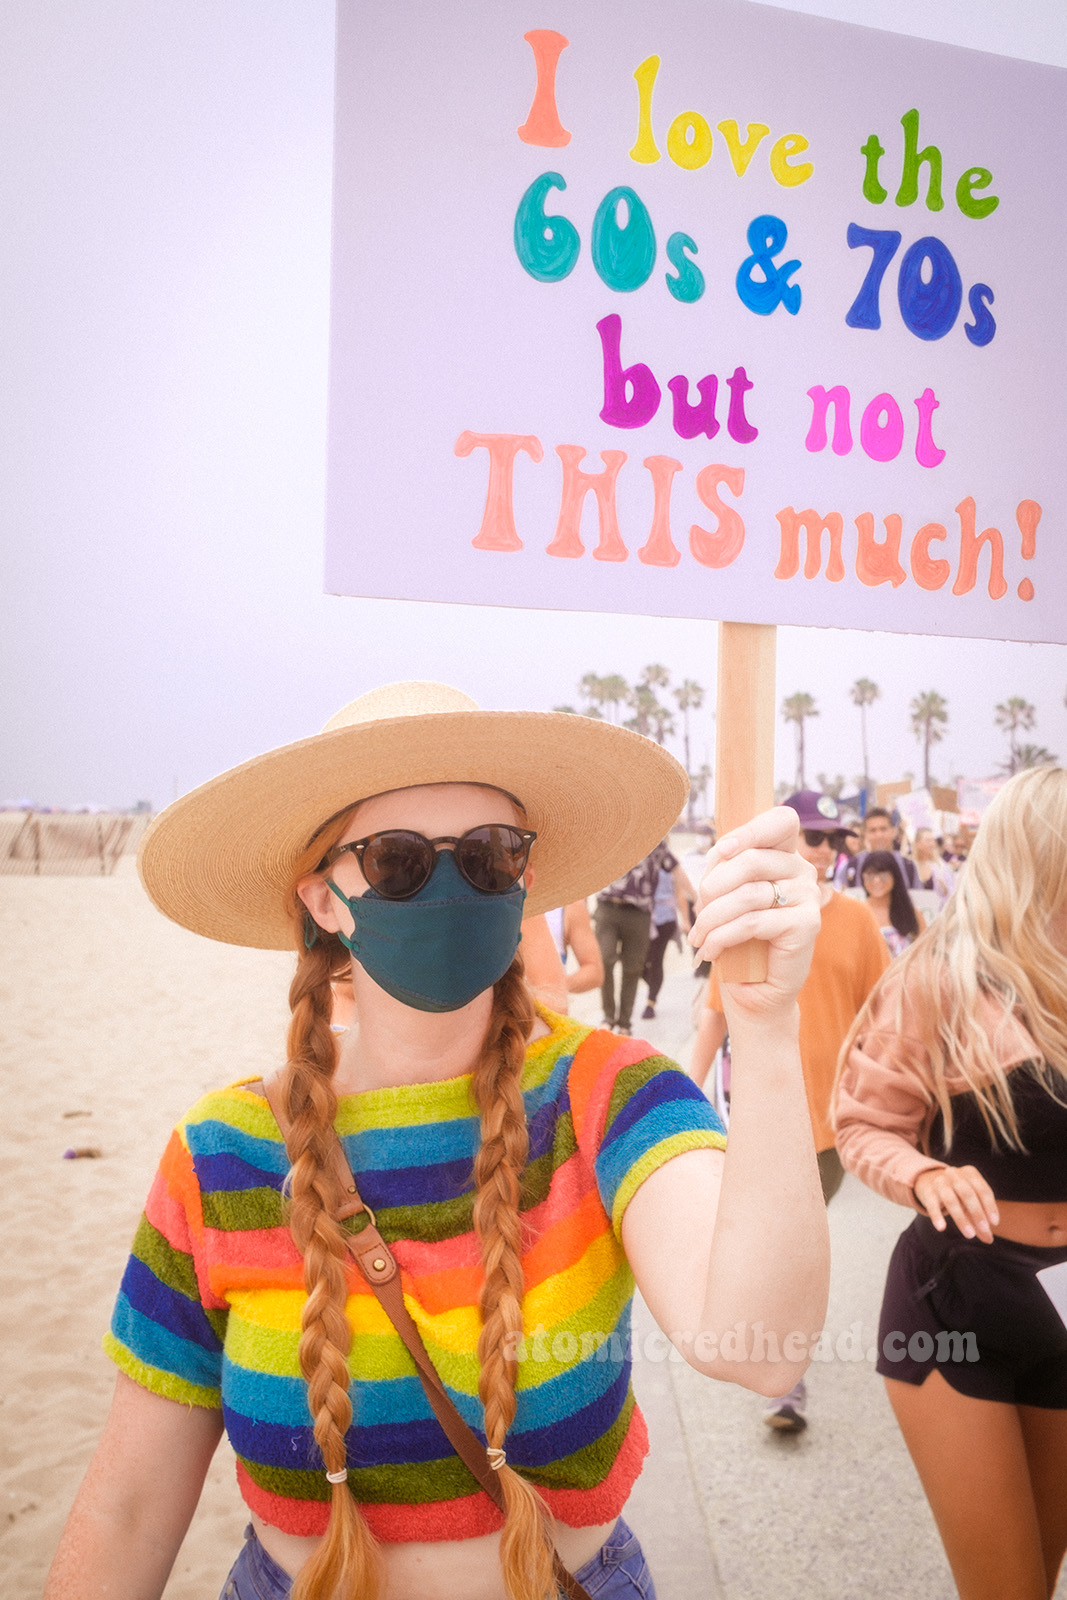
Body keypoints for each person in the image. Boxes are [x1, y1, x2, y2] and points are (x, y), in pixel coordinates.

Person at [44, 681, 829, 1600]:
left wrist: (768, 1031)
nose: (453, 883)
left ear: (524, 882)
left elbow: (760, 1343)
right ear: (324, 900)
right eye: (398, 860)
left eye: (491, 856)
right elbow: (130, 1508)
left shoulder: (607, 1097)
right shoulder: (222, 1153)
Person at [835, 766, 1067, 1600]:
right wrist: (921, 1171)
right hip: (952, 1301)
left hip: (1061, 1309)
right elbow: (863, 1124)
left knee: (1037, 1579)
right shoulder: (941, 978)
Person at [691, 788, 890, 1431]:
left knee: (800, 1238)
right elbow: (713, 1018)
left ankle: (785, 1357)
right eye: (813, 836)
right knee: (779, 1238)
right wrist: (681, 1100)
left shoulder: (857, 922)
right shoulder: (748, 921)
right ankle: (786, 1384)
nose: (824, 849)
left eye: (833, 838)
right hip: (759, 1121)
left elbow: (882, 1021)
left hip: (832, 1126)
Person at [594, 840, 678, 1035]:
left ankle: (624, 1023)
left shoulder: (656, 841)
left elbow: (675, 869)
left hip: (639, 913)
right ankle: (608, 1016)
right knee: (604, 960)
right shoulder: (609, 834)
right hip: (607, 907)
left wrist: (696, 899)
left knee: (633, 968)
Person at [641, 858, 693, 1020]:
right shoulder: (640, 861)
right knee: (639, 963)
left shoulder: (670, 863)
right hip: (642, 919)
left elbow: (679, 894)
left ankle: (651, 1003)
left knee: (656, 960)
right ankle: (654, 985)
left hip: (665, 919)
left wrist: (685, 920)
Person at [834, 807, 921, 890]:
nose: (878, 835)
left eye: (883, 829)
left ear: (893, 832)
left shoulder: (909, 868)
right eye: (873, 830)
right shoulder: (849, 868)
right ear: (865, 834)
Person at [540, 900, 604, 1007]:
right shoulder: (504, 900)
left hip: (550, 1010)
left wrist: (556, 986)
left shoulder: (570, 906)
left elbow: (594, 970)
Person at [861, 849, 922, 957]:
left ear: (895, 876)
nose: (876, 880)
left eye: (882, 874)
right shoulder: (857, 912)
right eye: (870, 875)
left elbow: (925, 952)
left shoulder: (911, 912)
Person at [912, 827, 955, 908]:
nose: (932, 844)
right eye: (928, 840)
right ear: (917, 844)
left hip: (936, 914)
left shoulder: (941, 866)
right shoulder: (911, 866)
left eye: (933, 840)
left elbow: (952, 894)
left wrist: (945, 890)